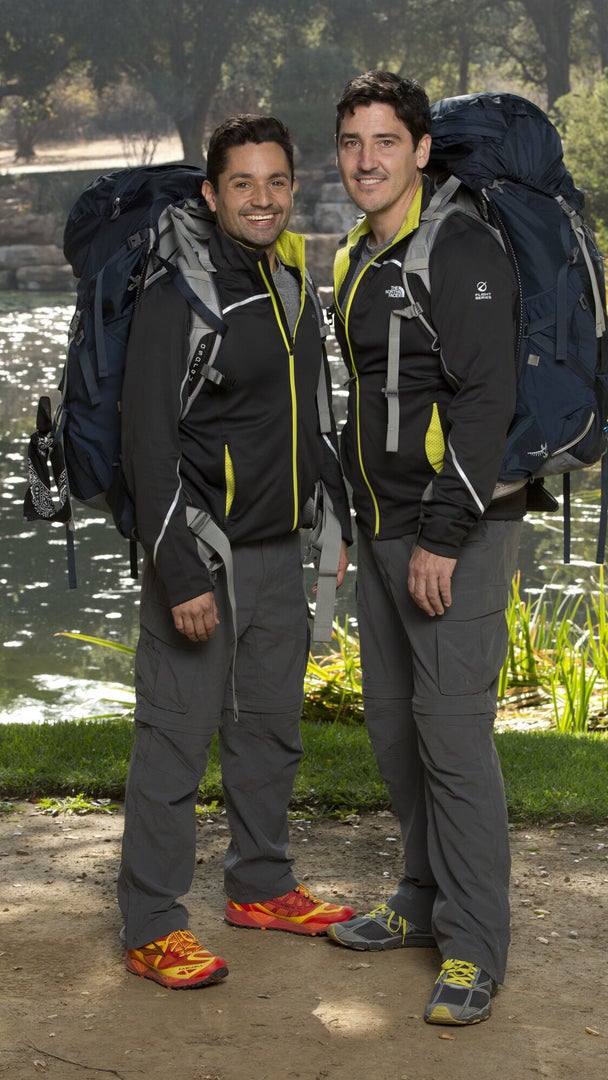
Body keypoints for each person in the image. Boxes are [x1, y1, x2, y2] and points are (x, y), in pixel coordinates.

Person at [117, 114, 355, 990]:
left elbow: (293, 421)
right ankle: (151, 924)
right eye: (243, 185)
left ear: (293, 187)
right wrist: (178, 569)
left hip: (275, 554)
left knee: (269, 735)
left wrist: (333, 509)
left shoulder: (283, 277)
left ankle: (260, 885)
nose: (263, 199)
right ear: (212, 193)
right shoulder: (180, 292)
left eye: (277, 182)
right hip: (201, 558)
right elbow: (148, 443)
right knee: (175, 745)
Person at [326, 71, 525, 1026]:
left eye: (384, 143)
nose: (366, 160)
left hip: (456, 533)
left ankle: (475, 944)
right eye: (352, 143)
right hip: (378, 531)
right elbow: (364, 405)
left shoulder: (461, 247)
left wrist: (443, 537)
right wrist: (346, 528)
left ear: (420, 150)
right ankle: (420, 896)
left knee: (451, 740)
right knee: (397, 736)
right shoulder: (354, 258)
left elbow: (486, 403)